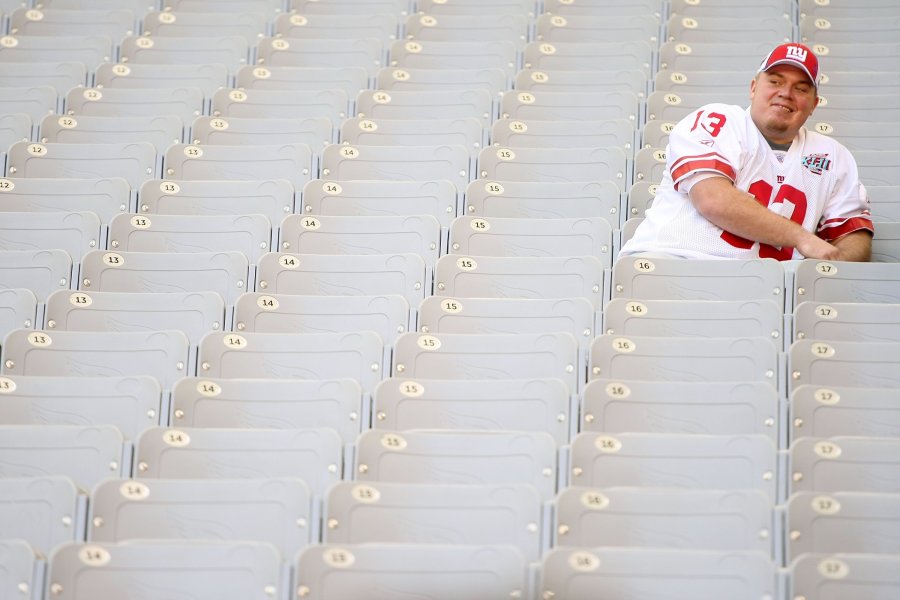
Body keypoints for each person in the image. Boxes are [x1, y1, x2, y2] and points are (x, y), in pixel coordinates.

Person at [620, 42, 873, 261]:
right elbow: (712, 199)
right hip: (675, 262)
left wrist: (834, 263)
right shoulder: (718, 119)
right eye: (775, 81)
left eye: (801, 88)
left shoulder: (833, 156)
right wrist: (801, 238)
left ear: (814, 104)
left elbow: (853, 237)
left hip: (763, 292)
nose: (785, 93)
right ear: (753, 88)